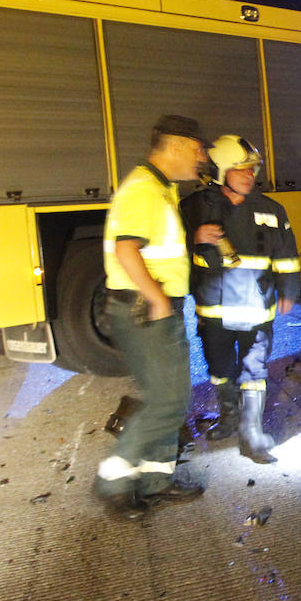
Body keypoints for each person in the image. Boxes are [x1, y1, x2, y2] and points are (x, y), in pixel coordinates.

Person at [93, 115, 209, 520]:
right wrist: (158, 299)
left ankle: (158, 480)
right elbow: (128, 249)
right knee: (166, 401)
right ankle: (113, 482)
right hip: (147, 311)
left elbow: (154, 243)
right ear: (176, 146)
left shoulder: (160, 188)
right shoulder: (144, 190)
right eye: (198, 149)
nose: (203, 158)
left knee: (171, 399)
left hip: (152, 309)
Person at [181, 134, 301, 463]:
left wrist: (289, 290)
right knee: (220, 368)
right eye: (242, 170)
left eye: (253, 170)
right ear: (220, 172)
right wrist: (195, 238)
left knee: (254, 368)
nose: (250, 176)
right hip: (214, 308)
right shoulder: (194, 208)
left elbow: (287, 256)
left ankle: (251, 435)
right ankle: (229, 417)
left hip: (256, 306)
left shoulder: (271, 210)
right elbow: (170, 251)